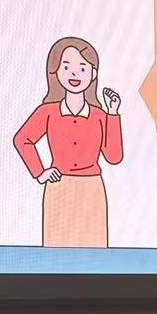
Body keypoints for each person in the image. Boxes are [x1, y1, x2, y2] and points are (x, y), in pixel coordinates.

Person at [13, 36, 124, 247]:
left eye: (83, 68)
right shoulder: (48, 111)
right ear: (55, 71)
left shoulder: (100, 115)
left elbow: (114, 156)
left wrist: (113, 113)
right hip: (59, 187)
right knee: (56, 250)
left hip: (91, 188)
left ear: (93, 74)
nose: (75, 74)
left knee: (94, 250)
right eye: (66, 67)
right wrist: (40, 172)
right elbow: (22, 139)